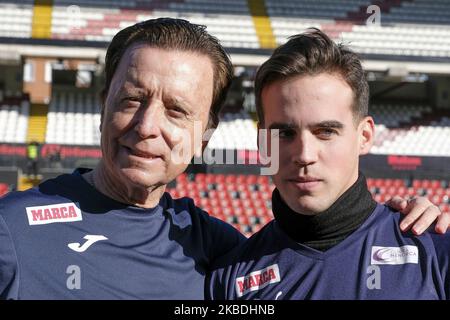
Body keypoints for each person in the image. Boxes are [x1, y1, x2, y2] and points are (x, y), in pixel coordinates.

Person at [0, 19, 446, 300]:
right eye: (133, 99)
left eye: (176, 110)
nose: (148, 125)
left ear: (205, 134)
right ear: (103, 105)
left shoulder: (215, 251)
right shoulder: (11, 231)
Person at [207, 29, 450, 300]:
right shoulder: (229, 278)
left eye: (325, 132)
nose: (304, 154)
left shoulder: (435, 247)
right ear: (263, 144)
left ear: (365, 137)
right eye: (285, 134)